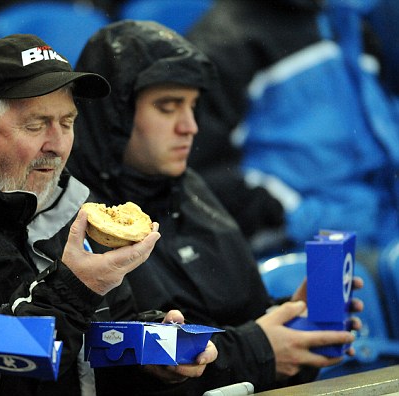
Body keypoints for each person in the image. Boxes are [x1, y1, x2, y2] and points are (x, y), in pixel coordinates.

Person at [0, 34, 216, 395]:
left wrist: (150, 357)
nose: (57, 146)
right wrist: (76, 290)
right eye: (36, 125)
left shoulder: (67, 197)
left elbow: (88, 346)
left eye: (67, 123)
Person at [68, 20, 361, 395]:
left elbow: (239, 319)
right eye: (167, 107)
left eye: (192, 107)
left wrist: (291, 321)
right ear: (114, 115)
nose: (189, 126)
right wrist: (262, 348)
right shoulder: (77, 214)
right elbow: (121, 365)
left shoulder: (189, 186)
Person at [185, 0, 399, 262]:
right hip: (305, 245)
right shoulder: (223, 44)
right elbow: (199, 171)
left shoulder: (346, 22)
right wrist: (292, 216)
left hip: (384, 225)